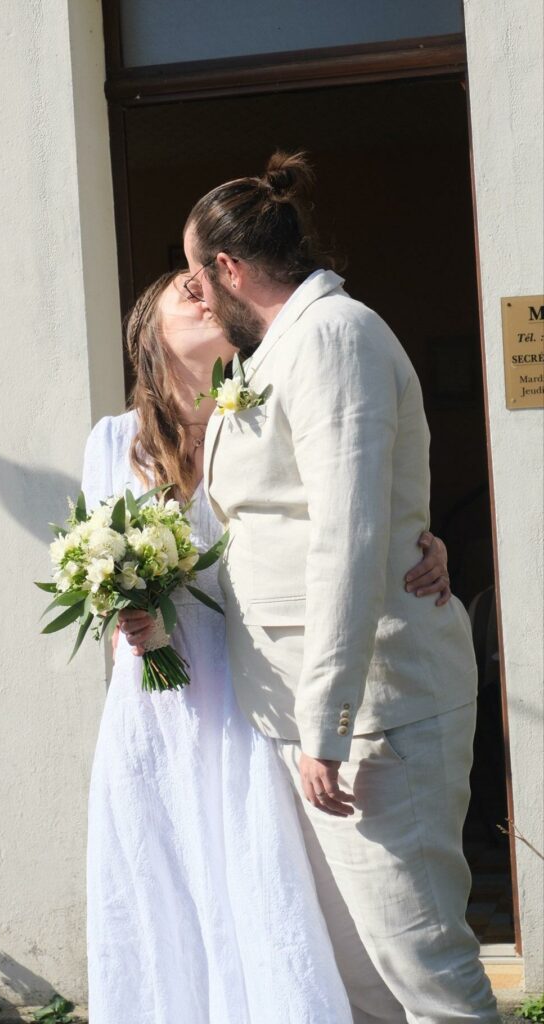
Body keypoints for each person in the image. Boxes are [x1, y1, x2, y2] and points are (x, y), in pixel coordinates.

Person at [180, 152, 500, 1023]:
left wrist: (325, 722)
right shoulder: (275, 352)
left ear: (230, 269)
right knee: (362, 978)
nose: (194, 298)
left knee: (424, 967)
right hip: (313, 716)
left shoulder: (336, 335)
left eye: (196, 275)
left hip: (373, 714)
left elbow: (350, 540)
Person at [83, 270, 453, 1024]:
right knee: (170, 895)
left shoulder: (255, 415)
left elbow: (336, 516)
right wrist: (129, 619)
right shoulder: (113, 442)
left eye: (206, 286)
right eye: (184, 292)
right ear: (150, 334)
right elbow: (100, 570)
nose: (203, 294)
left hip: (257, 696)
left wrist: (422, 544)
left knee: (276, 896)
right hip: (156, 707)